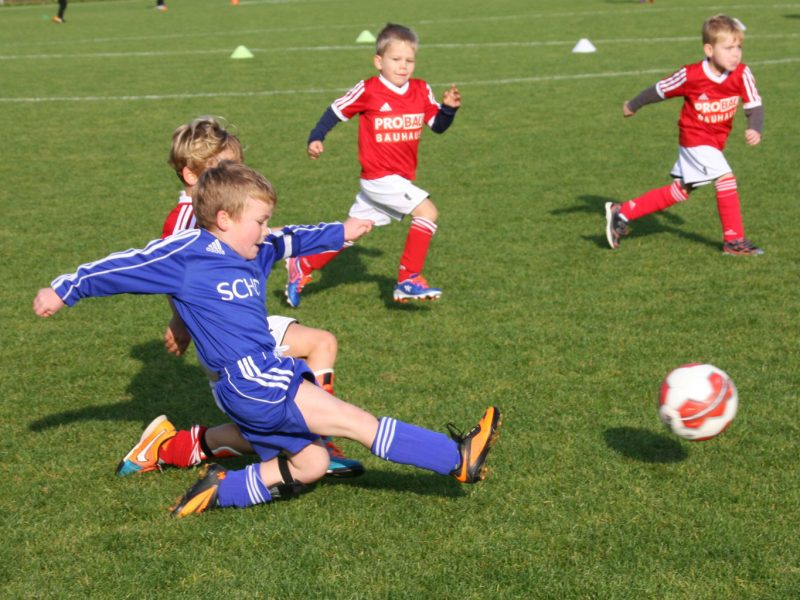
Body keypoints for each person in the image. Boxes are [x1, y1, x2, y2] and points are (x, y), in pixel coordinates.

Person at [33, 161, 501, 517]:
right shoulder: (188, 254)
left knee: (311, 464)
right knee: (353, 420)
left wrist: (342, 231)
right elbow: (122, 266)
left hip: (252, 380)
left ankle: (219, 490)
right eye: (259, 221)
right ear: (222, 218)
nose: (266, 231)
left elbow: (292, 238)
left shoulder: (253, 247)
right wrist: (64, 289)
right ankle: (455, 457)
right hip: (250, 379)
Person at [115, 116, 363, 479]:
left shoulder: (227, 206)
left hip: (247, 321)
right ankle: (169, 447)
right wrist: (179, 322)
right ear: (191, 175)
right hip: (228, 336)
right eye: (224, 166)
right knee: (264, 429)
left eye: (237, 165)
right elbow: (177, 277)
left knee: (320, 344)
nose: (234, 173)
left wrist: (332, 234)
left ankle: (320, 441)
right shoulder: (185, 221)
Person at [285, 23, 461, 307]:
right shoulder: (369, 90)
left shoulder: (421, 90)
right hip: (379, 177)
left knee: (355, 229)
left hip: (399, 179)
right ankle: (408, 278)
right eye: (396, 59)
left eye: (409, 61)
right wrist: (316, 137)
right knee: (427, 211)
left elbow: (437, 125)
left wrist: (449, 109)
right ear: (379, 61)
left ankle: (302, 264)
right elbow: (336, 110)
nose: (403, 66)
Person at [605, 14, 764, 256]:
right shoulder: (691, 75)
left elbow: (754, 105)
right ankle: (734, 241)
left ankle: (623, 212)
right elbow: (660, 89)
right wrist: (634, 104)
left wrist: (755, 127)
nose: (736, 53)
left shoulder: (742, 74)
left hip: (715, 142)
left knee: (680, 190)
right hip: (694, 139)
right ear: (709, 49)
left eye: (739, 47)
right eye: (729, 48)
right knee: (726, 178)